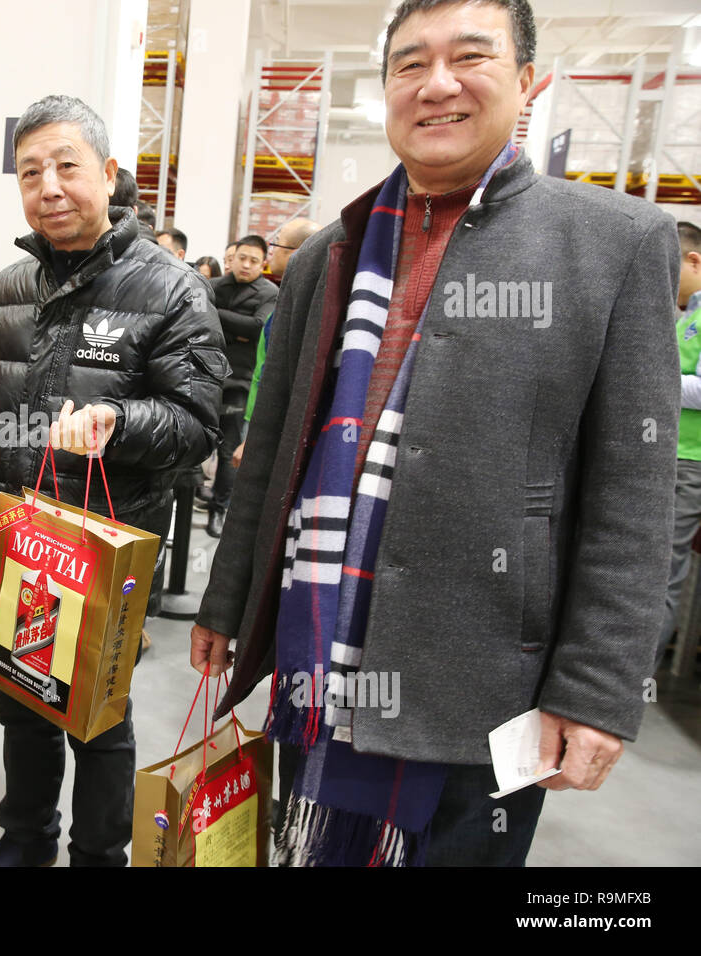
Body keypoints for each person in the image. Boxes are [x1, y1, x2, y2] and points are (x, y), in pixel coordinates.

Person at [191, 0, 680, 867]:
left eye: (470, 57)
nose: (437, 84)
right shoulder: (326, 256)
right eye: (410, 63)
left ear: (529, 81)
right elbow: (270, 457)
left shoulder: (613, 244)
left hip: (487, 679)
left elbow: (633, 495)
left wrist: (600, 690)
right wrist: (227, 602)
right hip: (318, 652)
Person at [0, 94, 225, 867]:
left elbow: (197, 425)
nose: (48, 186)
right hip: (19, 534)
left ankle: (100, 854)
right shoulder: (8, 287)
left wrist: (118, 424)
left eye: (67, 166)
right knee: (22, 695)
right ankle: (25, 837)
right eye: (30, 170)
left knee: (96, 711)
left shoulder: (171, 290)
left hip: (108, 543)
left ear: (109, 174)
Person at [232, 218, 320, 468]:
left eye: (277, 243)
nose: (273, 250)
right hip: (256, 414)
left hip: (267, 425)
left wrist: (254, 439)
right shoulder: (290, 297)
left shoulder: (300, 306)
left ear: (297, 252)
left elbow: (283, 377)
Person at [204, 235, 277, 537]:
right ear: (231, 257)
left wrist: (217, 317)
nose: (246, 265)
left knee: (228, 451)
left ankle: (218, 510)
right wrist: (238, 329)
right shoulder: (214, 286)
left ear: (263, 263)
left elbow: (259, 326)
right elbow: (196, 319)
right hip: (205, 376)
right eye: (241, 258)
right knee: (194, 443)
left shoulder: (270, 292)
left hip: (239, 382)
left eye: (253, 260)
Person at [657, 220, 701, 668]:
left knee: (662, 575)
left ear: (695, 260)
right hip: (676, 456)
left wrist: (652, 376)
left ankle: (627, 690)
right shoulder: (690, 313)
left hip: (691, 461)